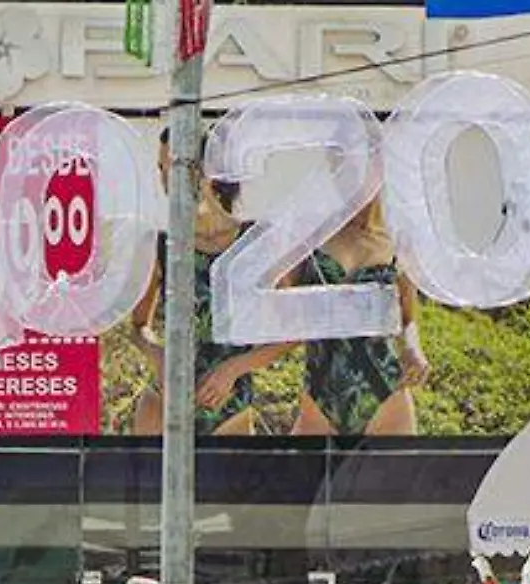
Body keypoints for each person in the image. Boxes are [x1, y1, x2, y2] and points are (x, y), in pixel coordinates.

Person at [128, 129, 295, 434]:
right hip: (164, 402)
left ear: (207, 170)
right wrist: (159, 356)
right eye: (161, 168)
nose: (165, 179)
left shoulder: (257, 241)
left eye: (172, 167)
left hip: (229, 404)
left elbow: (292, 331)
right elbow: (139, 327)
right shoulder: (160, 244)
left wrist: (233, 368)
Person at [291, 199, 429, 436]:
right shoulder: (311, 231)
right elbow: (281, 305)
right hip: (320, 394)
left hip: (386, 393)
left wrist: (413, 348)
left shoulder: (398, 240)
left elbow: (407, 317)